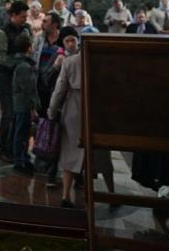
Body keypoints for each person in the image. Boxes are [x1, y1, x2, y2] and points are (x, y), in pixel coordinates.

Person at [48, 26, 115, 208]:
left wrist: (52, 112)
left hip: (73, 110)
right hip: (96, 110)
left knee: (69, 153)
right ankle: (111, 194)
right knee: (101, 154)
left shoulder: (69, 62)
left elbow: (59, 90)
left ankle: (65, 196)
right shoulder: (102, 62)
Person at [0, 0, 31, 163]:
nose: (25, 19)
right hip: (6, 78)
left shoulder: (25, 30)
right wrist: (21, 60)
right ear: (13, 15)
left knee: (18, 114)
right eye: (22, 16)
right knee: (8, 114)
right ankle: (4, 150)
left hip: (19, 78)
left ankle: (15, 148)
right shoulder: (2, 33)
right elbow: (1, 58)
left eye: (26, 16)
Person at [32, 12, 65, 187]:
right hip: (40, 88)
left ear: (55, 25)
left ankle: (54, 164)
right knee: (41, 125)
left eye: (46, 21)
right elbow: (34, 60)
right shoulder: (39, 39)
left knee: (56, 127)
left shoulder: (63, 41)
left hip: (56, 90)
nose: (42, 23)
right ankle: (41, 159)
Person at [11, 34, 37, 175]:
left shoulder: (23, 63)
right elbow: (27, 89)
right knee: (21, 133)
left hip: (21, 103)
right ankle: (19, 160)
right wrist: (32, 108)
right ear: (29, 48)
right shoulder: (24, 66)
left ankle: (24, 158)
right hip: (23, 105)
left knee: (24, 132)